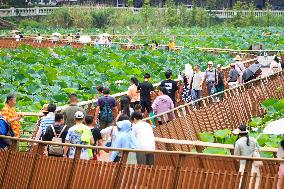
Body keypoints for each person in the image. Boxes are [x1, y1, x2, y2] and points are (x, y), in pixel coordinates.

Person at [234, 124, 261, 189]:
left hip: (243, 165)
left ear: (239, 134)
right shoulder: (254, 139)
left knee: (242, 183)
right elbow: (259, 150)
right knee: (255, 183)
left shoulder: (238, 142)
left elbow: (237, 157)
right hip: (254, 164)